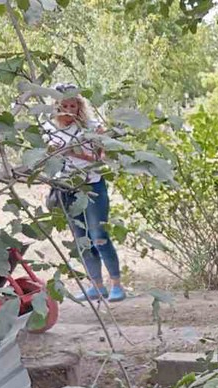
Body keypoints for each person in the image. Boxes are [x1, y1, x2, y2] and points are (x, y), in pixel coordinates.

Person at [44, 84, 124, 302]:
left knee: (99, 236)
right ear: (57, 107)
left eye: (73, 105)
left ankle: (116, 283)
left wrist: (74, 152)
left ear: (80, 106)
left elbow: (101, 158)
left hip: (91, 186)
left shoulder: (92, 127)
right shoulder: (51, 129)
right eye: (64, 106)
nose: (68, 110)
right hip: (66, 188)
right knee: (81, 239)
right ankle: (96, 286)